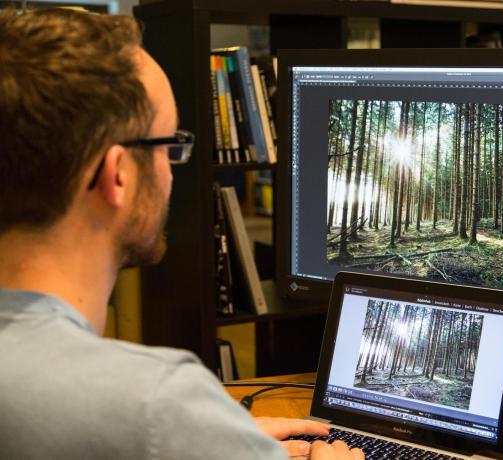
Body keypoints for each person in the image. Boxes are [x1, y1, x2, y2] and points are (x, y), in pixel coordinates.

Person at [0, 8, 363, 460]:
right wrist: (188, 430)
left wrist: (215, 438)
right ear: (118, 176)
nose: (174, 172)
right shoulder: (156, 404)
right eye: (171, 146)